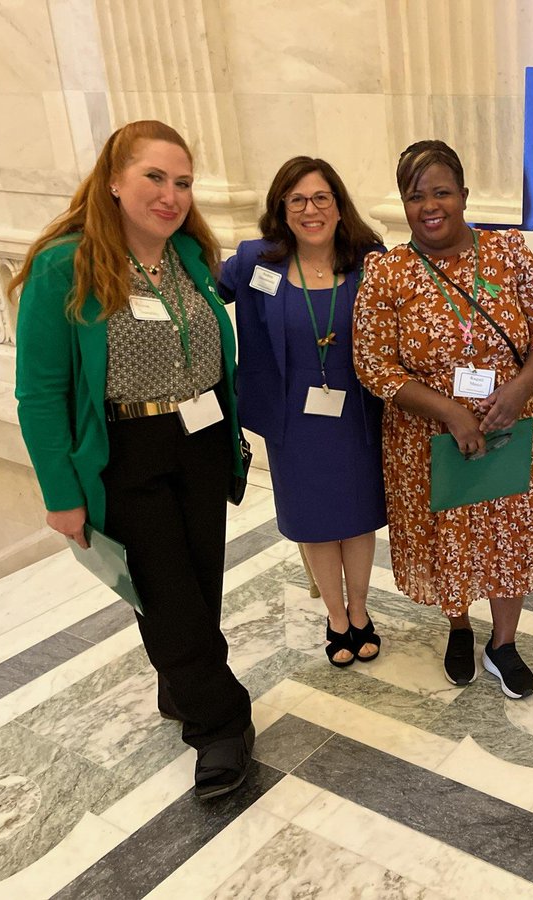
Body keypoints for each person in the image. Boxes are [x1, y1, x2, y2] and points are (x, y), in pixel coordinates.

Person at [11, 121, 254, 798]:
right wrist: (61, 494)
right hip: (127, 450)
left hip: (201, 440)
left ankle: (181, 687)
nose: (171, 195)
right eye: (154, 177)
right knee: (165, 593)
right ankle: (221, 724)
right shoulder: (68, 264)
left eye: (182, 182)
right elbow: (39, 393)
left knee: (198, 582)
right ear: (113, 181)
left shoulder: (190, 255)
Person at [354, 140, 533, 699]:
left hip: (506, 431)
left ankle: (503, 642)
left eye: (441, 191)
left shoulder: (510, 254)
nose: (430, 205)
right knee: (447, 537)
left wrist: (519, 391)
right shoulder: (388, 271)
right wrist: (447, 411)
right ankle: (458, 626)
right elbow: (373, 362)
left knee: (508, 534)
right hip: (425, 439)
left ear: (464, 195)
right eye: (415, 195)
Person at [218, 158, 387, 667]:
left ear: (338, 205)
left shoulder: (369, 259)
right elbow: (202, 297)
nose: (310, 210)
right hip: (292, 420)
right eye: (297, 200)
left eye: (320, 198)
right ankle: (336, 618)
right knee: (313, 520)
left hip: (356, 414)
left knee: (357, 519)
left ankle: (360, 612)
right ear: (282, 209)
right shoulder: (255, 262)